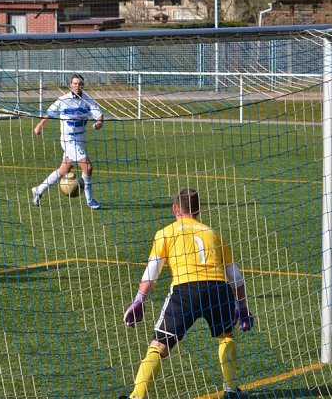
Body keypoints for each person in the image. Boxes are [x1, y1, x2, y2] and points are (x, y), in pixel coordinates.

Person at [119, 188, 254, 399]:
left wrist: (139, 301)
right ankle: (231, 391)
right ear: (198, 210)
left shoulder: (165, 233)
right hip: (218, 289)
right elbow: (236, 276)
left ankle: (137, 396)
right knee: (225, 336)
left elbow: (151, 273)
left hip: (185, 291)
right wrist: (242, 307)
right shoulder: (213, 234)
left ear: (175, 209)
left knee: (159, 345)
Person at [32, 73, 104, 209]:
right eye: (75, 83)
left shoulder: (88, 99)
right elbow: (50, 113)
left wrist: (99, 123)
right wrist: (39, 125)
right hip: (68, 139)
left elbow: (98, 114)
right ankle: (90, 200)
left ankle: (38, 190)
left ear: (83, 85)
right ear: (70, 85)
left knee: (64, 170)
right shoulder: (63, 99)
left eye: (80, 84)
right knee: (87, 167)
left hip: (81, 138)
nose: (77, 86)